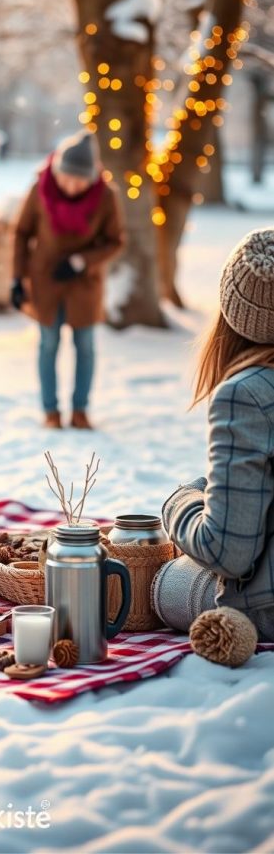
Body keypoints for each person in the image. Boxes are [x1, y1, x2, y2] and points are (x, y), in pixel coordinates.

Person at [152, 228, 274, 641]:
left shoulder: (246, 393)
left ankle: (234, 627)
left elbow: (228, 552)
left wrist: (180, 501)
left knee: (167, 580)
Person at [10, 129, 125, 429]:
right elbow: (21, 233)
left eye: (80, 180)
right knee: (48, 344)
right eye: (67, 178)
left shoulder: (106, 196)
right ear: (57, 169)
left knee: (85, 345)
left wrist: (80, 262)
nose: (72, 186)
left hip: (84, 284)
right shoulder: (40, 189)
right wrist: (17, 278)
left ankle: (80, 410)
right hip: (45, 280)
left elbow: (115, 241)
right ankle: (50, 411)